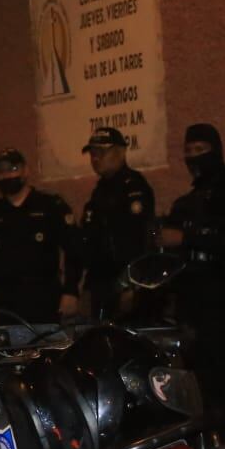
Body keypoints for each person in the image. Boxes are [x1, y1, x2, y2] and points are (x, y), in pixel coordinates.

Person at [157, 123, 225, 441]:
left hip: (218, 298)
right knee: (195, 383)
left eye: (201, 150)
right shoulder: (186, 203)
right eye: (189, 150)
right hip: (189, 299)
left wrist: (188, 237)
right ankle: (206, 446)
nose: (194, 157)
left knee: (220, 380)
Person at [0, 148, 81, 324]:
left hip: (45, 302)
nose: (7, 176)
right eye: (1, 171)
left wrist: (71, 291)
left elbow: (74, 249)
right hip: (5, 306)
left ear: (25, 170)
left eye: (13, 169)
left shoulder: (49, 205)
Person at [80, 126, 155, 320]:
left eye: (101, 152)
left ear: (120, 152)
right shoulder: (99, 192)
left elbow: (142, 241)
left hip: (126, 282)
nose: (95, 158)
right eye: (93, 153)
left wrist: (133, 286)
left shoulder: (134, 187)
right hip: (101, 284)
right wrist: (87, 286)